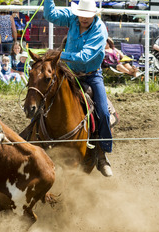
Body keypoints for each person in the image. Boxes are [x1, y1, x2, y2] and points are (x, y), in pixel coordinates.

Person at [44, 0, 113, 177]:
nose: (83, 18)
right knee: (43, 96)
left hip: (91, 75)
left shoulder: (100, 30)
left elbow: (85, 56)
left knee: (103, 113)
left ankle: (101, 154)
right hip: (69, 72)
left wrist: (58, 56)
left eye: (87, 16)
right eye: (81, 14)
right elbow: (50, 15)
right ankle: (34, 135)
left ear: (94, 15)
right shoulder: (72, 17)